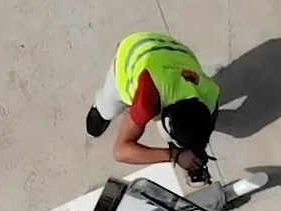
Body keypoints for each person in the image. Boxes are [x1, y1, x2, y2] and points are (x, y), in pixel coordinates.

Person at [86, 31, 221, 183]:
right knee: (109, 106)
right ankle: (100, 109)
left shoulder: (210, 95)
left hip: (171, 50)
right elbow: (120, 151)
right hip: (133, 52)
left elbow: (199, 131)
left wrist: (194, 151)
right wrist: (174, 155)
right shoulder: (148, 100)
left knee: (172, 136)